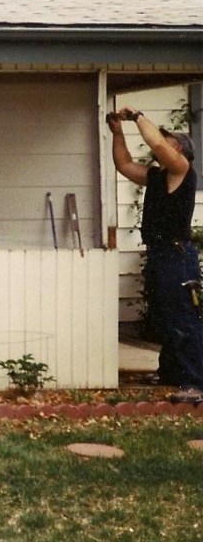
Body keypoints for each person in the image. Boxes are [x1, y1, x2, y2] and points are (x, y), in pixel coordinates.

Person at [107, 107, 203, 403]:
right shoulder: (157, 176)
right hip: (161, 254)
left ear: (177, 149)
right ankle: (171, 373)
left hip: (177, 255)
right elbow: (123, 164)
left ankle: (195, 383)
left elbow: (156, 143)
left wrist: (136, 116)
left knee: (184, 317)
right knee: (165, 316)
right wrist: (118, 132)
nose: (160, 142)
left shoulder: (181, 169)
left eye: (167, 140)